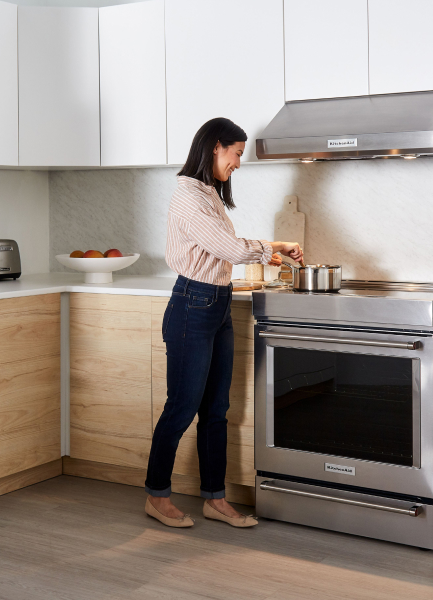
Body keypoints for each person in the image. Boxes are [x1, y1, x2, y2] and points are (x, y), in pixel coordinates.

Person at [144, 117, 304, 528]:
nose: (238, 163)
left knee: (216, 409)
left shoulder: (208, 193)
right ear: (216, 147)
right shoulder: (188, 196)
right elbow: (229, 248)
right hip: (191, 306)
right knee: (181, 408)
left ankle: (214, 498)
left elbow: (225, 248)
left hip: (215, 303)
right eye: (236, 154)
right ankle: (157, 495)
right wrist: (267, 248)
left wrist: (275, 246)